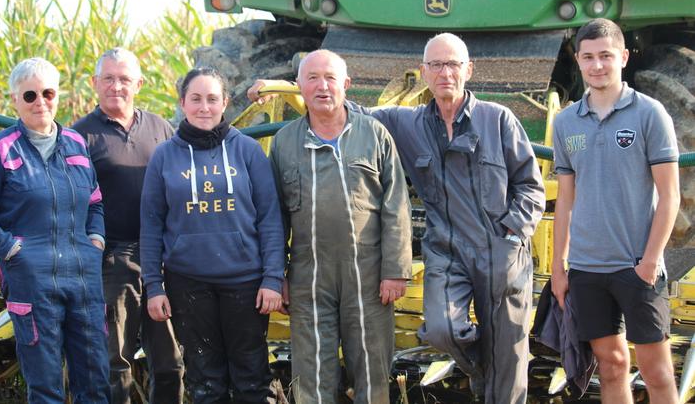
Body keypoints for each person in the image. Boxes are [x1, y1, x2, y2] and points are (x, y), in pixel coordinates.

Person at [249, 34, 545, 404]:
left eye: (452, 64)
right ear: (423, 72)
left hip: (500, 247)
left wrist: (512, 234)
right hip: (447, 248)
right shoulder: (405, 123)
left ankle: (497, 375)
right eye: (435, 65)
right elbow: (340, 108)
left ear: (468, 70)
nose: (444, 73)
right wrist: (281, 88)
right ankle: (485, 368)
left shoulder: (498, 119)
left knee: (511, 354)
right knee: (442, 331)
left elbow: (532, 188)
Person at [0, 57, 109, 403]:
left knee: (96, 382)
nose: (40, 101)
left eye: (48, 92)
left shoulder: (76, 144)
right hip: (32, 280)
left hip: (84, 279)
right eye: (29, 95)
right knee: (45, 386)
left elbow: (96, 203)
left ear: (58, 96)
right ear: (14, 99)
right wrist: (12, 250)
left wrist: (96, 241)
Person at [269, 49, 413, 404]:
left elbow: (396, 205)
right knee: (312, 371)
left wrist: (395, 270)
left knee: (372, 368)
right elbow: (274, 217)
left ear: (346, 84)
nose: (322, 86)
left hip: (368, 275)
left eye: (331, 78)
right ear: (300, 86)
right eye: (313, 78)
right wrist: (276, 275)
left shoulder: (374, 135)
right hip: (309, 274)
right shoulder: (285, 142)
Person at [551, 18, 680, 403]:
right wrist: (559, 267)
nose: (597, 66)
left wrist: (649, 261)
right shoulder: (565, 122)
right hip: (588, 269)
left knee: (656, 372)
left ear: (623, 57)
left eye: (605, 56)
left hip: (637, 267)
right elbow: (566, 201)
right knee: (610, 366)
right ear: (578, 61)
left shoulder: (649, 114)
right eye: (588, 57)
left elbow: (670, 195)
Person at [140, 66, 285, 403]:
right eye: (196, 99)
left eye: (212, 99)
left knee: (251, 377)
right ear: (182, 103)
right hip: (188, 283)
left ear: (225, 103)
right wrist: (153, 286)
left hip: (246, 283)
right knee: (205, 380)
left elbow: (270, 219)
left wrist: (273, 278)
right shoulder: (164, 156)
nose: (204, 107)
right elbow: (151, 225)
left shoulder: (247, 151)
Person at [72, 48, 184, 404]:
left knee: (169, 364)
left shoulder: (161, 128)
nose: (116, 86)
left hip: (161, 260)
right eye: (108, 78)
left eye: (124, 79)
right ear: (95, 83)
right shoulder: (79, 137)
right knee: (113, 363)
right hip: (112, 261)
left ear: (139, 83)